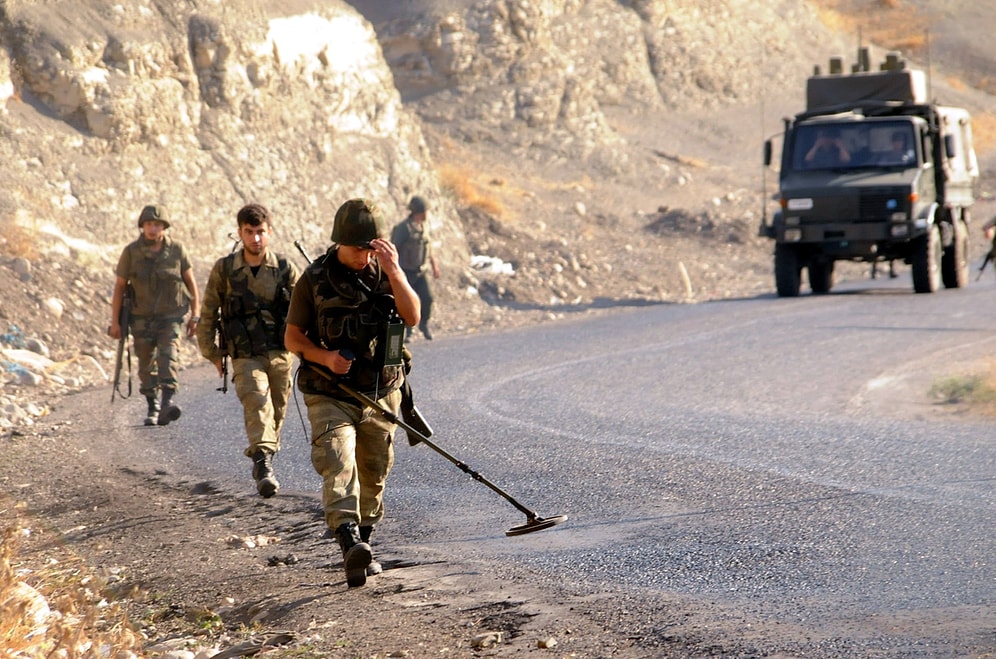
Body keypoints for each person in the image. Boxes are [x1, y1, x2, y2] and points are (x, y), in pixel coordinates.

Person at [284, 198, 420, 588]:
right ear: (341, 242)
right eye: (359, 248)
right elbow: (292, 337)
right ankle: (348, 541)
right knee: (338, 460)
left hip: (381, 390)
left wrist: (394, 269)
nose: (364, 256)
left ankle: (364, 545)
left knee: (375, 471)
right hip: (330, 390)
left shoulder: (385, 273)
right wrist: (323, 356)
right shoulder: (314, 279)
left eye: (371, 248)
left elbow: (413, 316)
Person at [196, 203, 299, 498]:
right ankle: (262, 464)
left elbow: (304, 311)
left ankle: (265, 456)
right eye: (249, 232)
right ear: (240, 232)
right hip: (244, 353)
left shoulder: (284, 268)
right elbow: (208, 313)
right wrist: (212, 353)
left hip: (280, 352)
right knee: (257, 399)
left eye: (260, 232)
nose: (255, 239)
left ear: (270, 232)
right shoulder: (225, 269)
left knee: (277, 410)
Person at [109, 204, 200, 426]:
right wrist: (115, 322)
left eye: (157, 224)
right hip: (141, 318)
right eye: (149, 224)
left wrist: (195, 315)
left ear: (164, 227)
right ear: (142, 226)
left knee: (168, 356)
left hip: (171, 317)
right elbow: (120, 287)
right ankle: (153, 405)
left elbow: (190, 282)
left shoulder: (177, 250)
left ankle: (167, 402)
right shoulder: (131, 252)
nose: (152, 228)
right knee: (146, 364)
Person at [391, 195, 440, 340]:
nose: (427, 214)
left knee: (427, 298)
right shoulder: (403, 228)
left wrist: (434, 266)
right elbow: (394, 248)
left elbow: (428, 248)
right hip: (406, 272)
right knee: (406, 303)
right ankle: (408, 331)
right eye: (425, 211)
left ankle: (424, 323)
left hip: (421, 271)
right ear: (418, 211)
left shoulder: (424, 227)